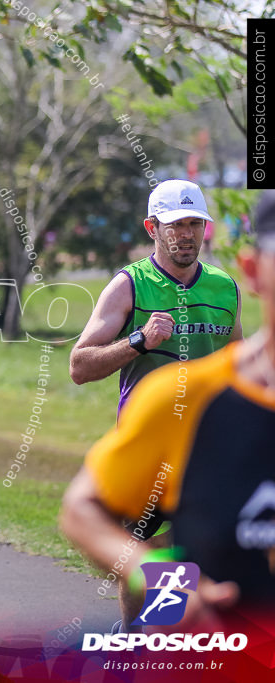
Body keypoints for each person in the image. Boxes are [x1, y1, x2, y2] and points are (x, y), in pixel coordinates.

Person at [60, 189, 275, 630]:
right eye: (175, 225)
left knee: (205, 549)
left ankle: (172, 635)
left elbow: (235, 362)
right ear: (152, 228)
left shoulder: (223, 287)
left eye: (194, 224)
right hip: (155, 449)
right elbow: (80, 366)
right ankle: (136, 637)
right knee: (142, 545)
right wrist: (139, 341)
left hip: (221, 450)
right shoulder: (130, 284)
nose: (186, 234)